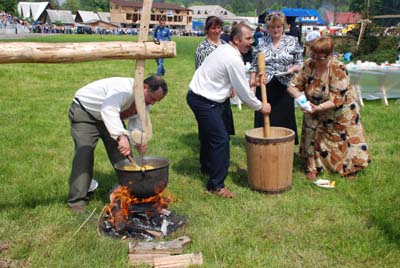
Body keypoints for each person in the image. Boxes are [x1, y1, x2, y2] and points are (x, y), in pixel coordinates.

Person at [187, 23, 271, 198]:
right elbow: (243, 93)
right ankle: (216, 185)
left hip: (204, 96)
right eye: (248, 38)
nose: (251, 42)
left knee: (210, 135)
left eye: (252, 38)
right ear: (236, 39)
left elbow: (235, 81)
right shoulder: (232, 58)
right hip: (204, 100)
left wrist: (248, 82)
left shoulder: (226, 49)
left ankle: (207, 168)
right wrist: (261, 107)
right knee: (220, 140)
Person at [67, 76, 168, 213]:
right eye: (152, 98)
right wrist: (121, 136)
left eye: (157, 101)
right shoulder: (124, 89)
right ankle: (77, 201)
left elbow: (136, 123)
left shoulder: (144, 101)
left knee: (124, 159)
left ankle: (129, 195)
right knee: (84, 155)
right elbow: (108, 110)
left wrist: (137, 142)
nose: (153, 103)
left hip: (111, 119)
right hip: (86, 114)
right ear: (144, 87)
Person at [287, 36, 370, 180]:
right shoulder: (308, 65)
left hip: (339, 110)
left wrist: (318, 108)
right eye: (313, 56)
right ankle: (312, 167)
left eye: (320, 58)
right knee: (312, 135)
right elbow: (293, 85)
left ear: (330, 55)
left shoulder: (338, 69)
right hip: (313, 108)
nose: (316, 61)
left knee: (343, 140)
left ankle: (348, 168)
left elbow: (337, 98)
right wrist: (301, 100)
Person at [249, 12, 303, 144]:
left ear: (283, 27)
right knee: (266, 115)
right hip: (265, 85)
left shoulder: (292, 41)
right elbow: (254, 64)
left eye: (278, 27)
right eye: (272, 27)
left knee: (284, 115)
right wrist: (252, 82)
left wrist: (293, 68)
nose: (275, 30)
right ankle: (264, 141)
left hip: (285, 85)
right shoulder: (261, 42)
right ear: (268, 28)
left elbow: (300, 62)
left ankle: (285, 143)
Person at [194, 16, 236, 136]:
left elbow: (230, 67)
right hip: (210, 91)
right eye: (213, 28)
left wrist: (232, 86)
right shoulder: (202, 48)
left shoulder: (225, 45)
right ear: (207, 29)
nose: (217, 31)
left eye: (219, 28)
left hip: (224, 89)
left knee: (224, 121)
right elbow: (200, 71)